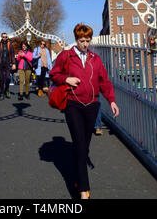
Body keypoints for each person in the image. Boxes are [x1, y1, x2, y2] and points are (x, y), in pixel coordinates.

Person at [50, 23, 119, 200]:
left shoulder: (95, 59)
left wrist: (111, 100)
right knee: (80, 145)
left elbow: (104, 81)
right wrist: (67, 79)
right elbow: (54, 74)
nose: (85, 44)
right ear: (76, 39)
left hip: (92, 106)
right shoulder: (66, 56)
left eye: (88, 40)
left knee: (84, 146)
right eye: (82, 40)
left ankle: (78, 177)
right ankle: (83, 190)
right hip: (73, 105)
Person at [0, 32, 16, 100]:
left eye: (6, 37)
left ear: (7, 37)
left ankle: (7, 89)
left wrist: (14, 63)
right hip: (1, 63)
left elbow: (12, 54)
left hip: (8, 63)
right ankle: (2, 93)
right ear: (1, 37)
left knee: (8, 78)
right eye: (3, 37)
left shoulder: (10, 45)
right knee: (2, 79)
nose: (4, 38)